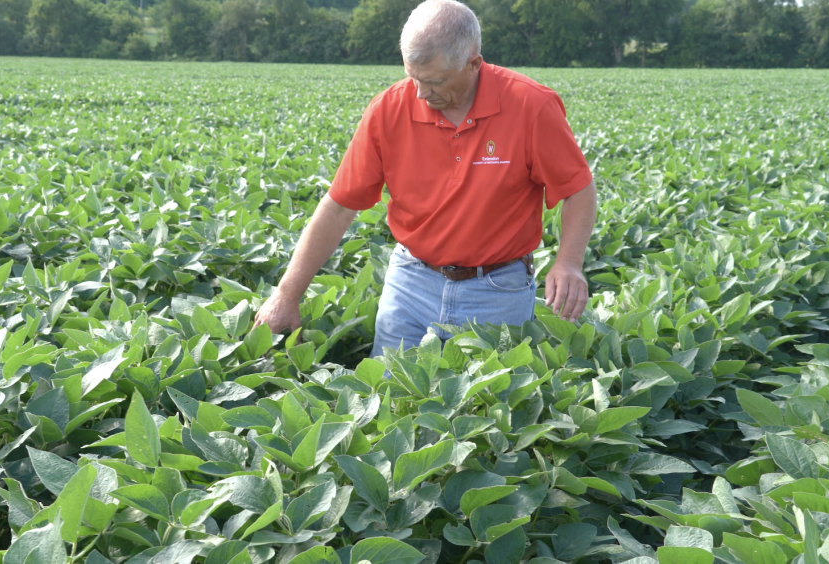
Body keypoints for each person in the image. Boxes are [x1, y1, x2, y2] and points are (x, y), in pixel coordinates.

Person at [253, 0, 597, 358]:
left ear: (473, 64)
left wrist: (569, 261)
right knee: (389, 386)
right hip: (411, 282)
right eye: (412, 77)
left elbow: (578, 189)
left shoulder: (531, 106)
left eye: (434, 81)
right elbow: (339, 206)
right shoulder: (388, 110)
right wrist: (286, 294)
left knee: (494, 391)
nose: (420, 92)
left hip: (498, 289)